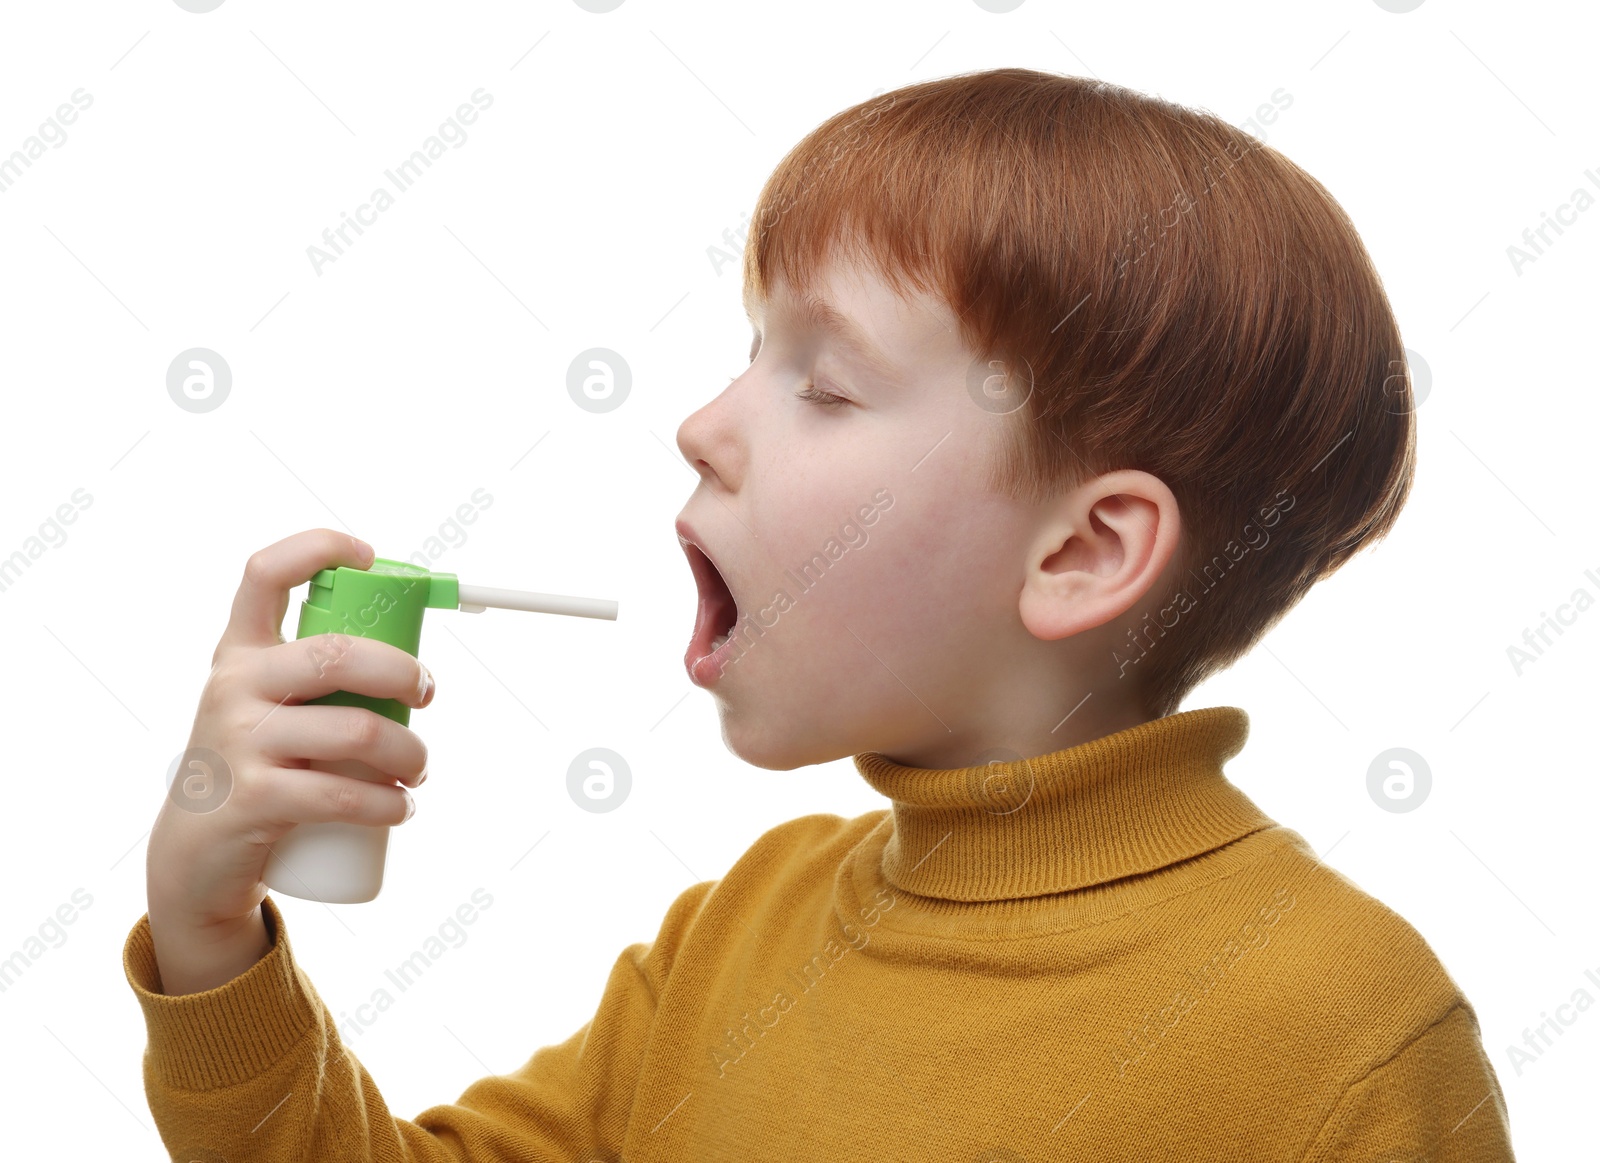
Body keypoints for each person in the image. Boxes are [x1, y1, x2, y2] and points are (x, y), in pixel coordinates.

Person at [125, 67, 1515, 1159]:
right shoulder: (740, 937)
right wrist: (210, 940)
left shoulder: (1344, 1038)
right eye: (750, 355)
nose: (700, 427)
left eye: (827, 385)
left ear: (1086, 552)